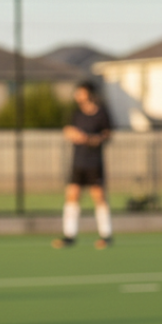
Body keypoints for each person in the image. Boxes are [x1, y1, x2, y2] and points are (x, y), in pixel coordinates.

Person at [54, 80, 113, 249]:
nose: (77, 95)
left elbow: (107, 134)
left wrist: (94, 139)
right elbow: (67, 130)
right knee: (72, 195)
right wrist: (77, 136)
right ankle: (69, 235)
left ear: (89, 94)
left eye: (81, 92)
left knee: (99, 196)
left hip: (94, 162)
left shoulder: (101, 113)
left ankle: (106, 235)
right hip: (78, 162)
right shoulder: (76, 113)